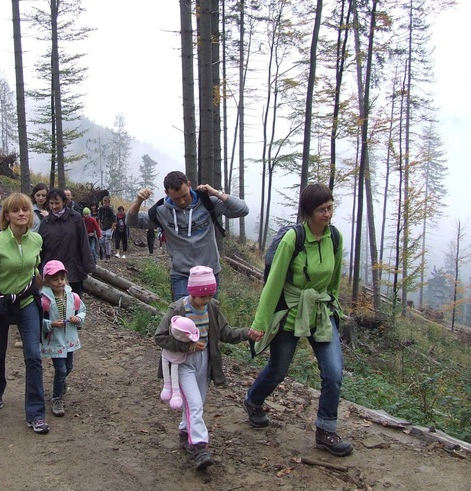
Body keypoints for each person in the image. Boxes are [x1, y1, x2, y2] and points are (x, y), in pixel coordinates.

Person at [242, 183, 352, 457]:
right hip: (291, 311)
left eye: (330, 208)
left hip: (320, 313)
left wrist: (334, 309)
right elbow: (274, 283)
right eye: (321, 210)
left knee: (334, 373)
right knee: (278, 369)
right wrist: (261, 322)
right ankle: (254, 400)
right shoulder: (294, 239)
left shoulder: (335, 238)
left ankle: (325, 430)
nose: (327, 214)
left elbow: (335, 280)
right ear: (308, 212)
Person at [154, 266, 250, 470]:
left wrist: (246, 333)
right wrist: (187, 346)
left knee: (196, 403)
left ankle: (184, 431)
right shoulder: (178, 309)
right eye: (203, 296)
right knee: (195, 404)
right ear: (193, 292)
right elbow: (160, 337)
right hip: (182, 362)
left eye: (209, 295)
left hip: (204, 362)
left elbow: (224, 331)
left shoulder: (212, 308)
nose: (206, 300)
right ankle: (199, 447)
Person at [0, 192, 50, 434]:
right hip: (1, 303)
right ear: (7, 215)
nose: (22, 213)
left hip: (26, 302)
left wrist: (52, 290)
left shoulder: (36, 241)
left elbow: (35, 271)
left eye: (26, 209)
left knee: (33, 355)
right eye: (16, 210)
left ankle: (36, 414)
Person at [126, 171, 249, 301]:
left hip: (209, 272)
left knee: (208, 316)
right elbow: (132, 221)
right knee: (183, 318)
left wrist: (216, 193)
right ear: (166, 193)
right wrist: (138, 200)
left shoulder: (207, 202)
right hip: (182, 275)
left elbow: (242, 210)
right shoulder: (161, 211)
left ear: (189, 185)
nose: (182, 201)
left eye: (185, 195)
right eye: (176, 198)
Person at [39, 260, 86, 418]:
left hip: (70, 338)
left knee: (69, 366)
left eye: (61, 278)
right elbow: (38, 320)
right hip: (54, 340)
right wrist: (50, 324)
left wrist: (78, 319)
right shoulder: (44, 300)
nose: (59, 282)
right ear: (47, 280)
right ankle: (57, 398)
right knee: (61, 369)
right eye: (54, 279)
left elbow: (82, 311)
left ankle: (60, 383)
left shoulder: (73, 296)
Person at [38, 188, 95, 297]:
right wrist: (38, 270)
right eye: (51, 203)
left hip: (73, 269)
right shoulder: (46, 222)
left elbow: (83, 243)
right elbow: (41, 249)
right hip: (53, 272)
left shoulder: (75, 218)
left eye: (57, 203)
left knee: (74, 305)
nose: (54, 206)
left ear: (64, 202)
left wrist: (88, 266)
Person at [98, 195, 116, 261]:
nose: (105, 203)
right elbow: (99, 218)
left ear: (109, 202)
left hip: (109, 227)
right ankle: (106, 251)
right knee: (101, 241)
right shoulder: (100, 209)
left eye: (106, 202)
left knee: (107, 241)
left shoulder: (111, 210)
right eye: (104, 202)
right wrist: (99, 227)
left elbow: (114, 220)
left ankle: (108, 256)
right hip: (102, 227)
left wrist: (112, 230)